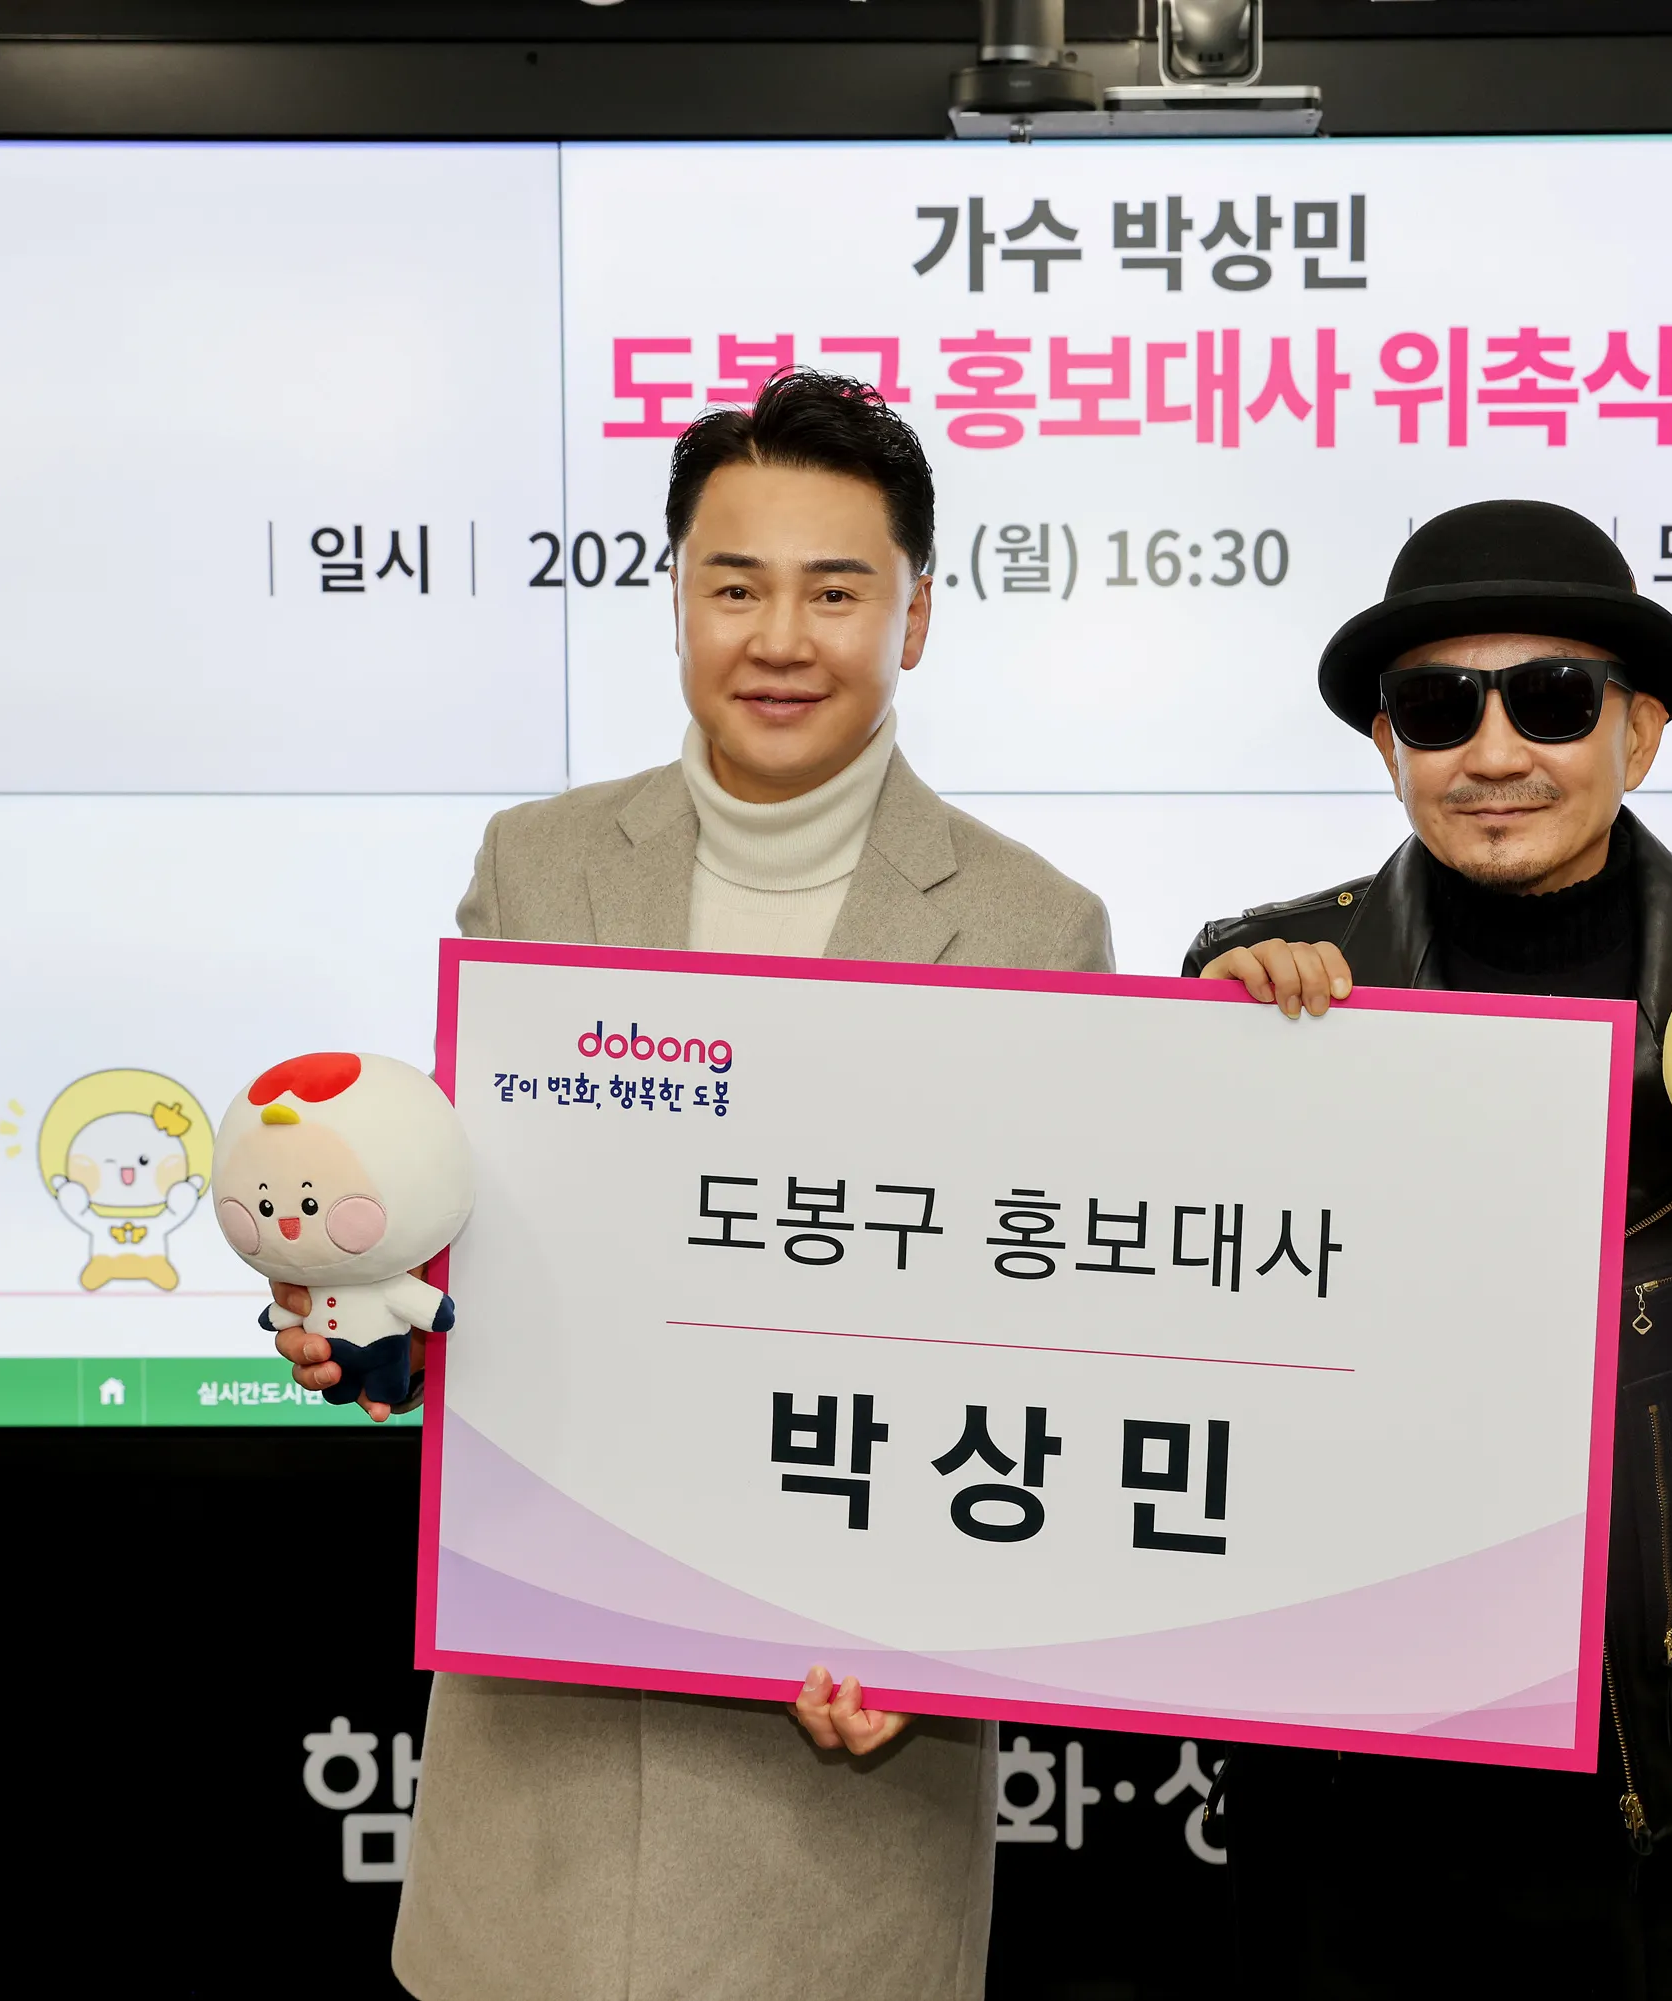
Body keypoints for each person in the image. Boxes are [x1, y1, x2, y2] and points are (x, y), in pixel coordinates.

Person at [266, 370, 1114, 2001]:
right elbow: (473, 1233)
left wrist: (943, 1637)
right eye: (735, 587)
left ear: (916, 615)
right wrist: (373, 1319)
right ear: (675, 603)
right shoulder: (538, 865)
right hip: (547, 1761)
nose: (779, 638)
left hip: (841, 1788)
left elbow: (1048, 1355)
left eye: (834, 590)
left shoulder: (1033, 926)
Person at [1186, 501, 1672, 1999]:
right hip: (1340, 1767)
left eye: (1551, 699)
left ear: (1638, 735)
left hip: (1646, 1769)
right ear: (1388, 746)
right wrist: (1210, 1064)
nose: (1494, 751)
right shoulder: (1270, 983)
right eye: (1437, 708)